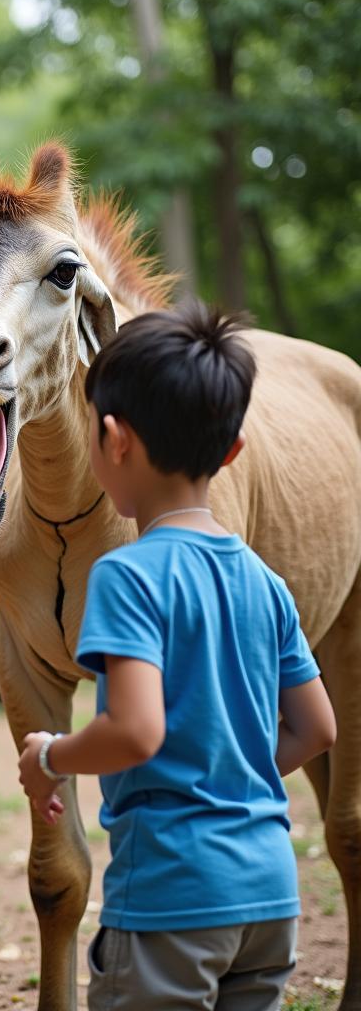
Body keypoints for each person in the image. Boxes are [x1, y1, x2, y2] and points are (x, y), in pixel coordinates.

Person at [17, 303, 337, 1011]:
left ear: (111, 440)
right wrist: (229, 770)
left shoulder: (128, 575)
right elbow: (318, 730)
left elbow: (135, 732)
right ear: (232, 453)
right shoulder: (266, 580)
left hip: (172, 899)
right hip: (272, 897)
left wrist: (50, 758)